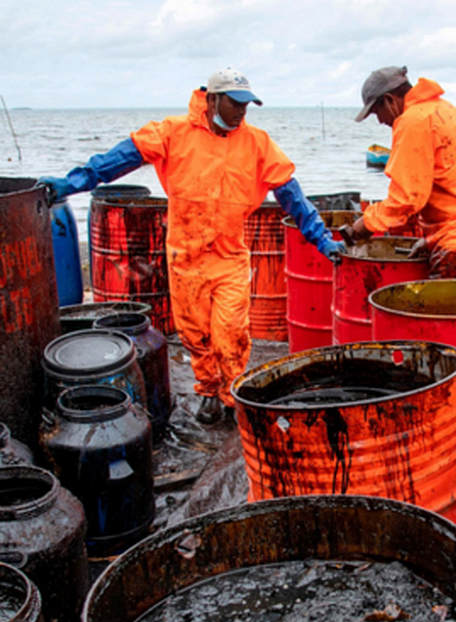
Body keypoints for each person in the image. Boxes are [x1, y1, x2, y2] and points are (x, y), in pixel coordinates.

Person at [41, 68, 346, 425]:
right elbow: (113, 162)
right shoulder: (172, 133)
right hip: (185, 257)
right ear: (212, 99)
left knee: (231, 332)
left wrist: (324, 240)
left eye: (247, 105)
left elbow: (292, 196)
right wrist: (67, 185)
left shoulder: (257, 143)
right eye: (235, 103)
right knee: (195, 334)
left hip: (229, 257)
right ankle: (207, 390)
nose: (241, 112)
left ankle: (233, 396)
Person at [348, 66, 456, 279]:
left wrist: (363, 226)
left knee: (446, 311)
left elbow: (406, 199)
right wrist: (431, 241)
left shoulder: (413, 121)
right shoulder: (442, 110)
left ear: (389, 100)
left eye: (377, 112)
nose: (380, 121)